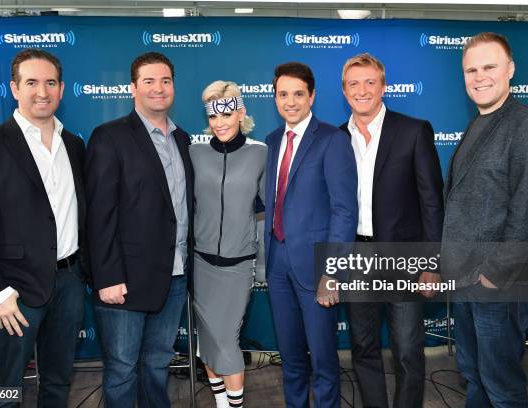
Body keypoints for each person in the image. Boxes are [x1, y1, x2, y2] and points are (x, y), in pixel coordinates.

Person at [0, 48, 86, 407]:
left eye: (49, 83)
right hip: (11, 292)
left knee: (58, 383)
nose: (41, 92)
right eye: (31, 82)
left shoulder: (74, 145)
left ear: (61, 89)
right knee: (5, 390)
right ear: (14, 88)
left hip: (68, 283)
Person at [442, 32, 528, 407]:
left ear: (510, 69)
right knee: (474, 374)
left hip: (497, 284)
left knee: (502, 385)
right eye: (470, 70)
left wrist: (492, 275)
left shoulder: (527, 126)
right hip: (465, 279)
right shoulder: (478, 123)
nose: (479, 77)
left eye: (489, 66)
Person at [85, 52, 194, 407]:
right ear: (133, 88)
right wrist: (107, 277)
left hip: (174, 276)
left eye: (165, 81)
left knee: (157, 365)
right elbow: (100, 213)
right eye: (148, 81)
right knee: (121, 370)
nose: (158, 89)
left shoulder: (184, 140)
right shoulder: (109, 137)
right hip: (125, 280)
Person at [339, 53, 444, 408]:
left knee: (407, 351)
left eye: (370, 82)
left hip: (405, 260)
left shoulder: (413, 131)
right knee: (363, 348)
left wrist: (431, 263)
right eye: (354, 83)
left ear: (384, 87)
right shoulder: (336, 138)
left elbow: (432, 201)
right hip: (356, 259)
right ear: (344, 90)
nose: (362, 90)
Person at [264, 62, 358, 408]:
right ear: (275, 97)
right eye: (283, 94)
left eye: (298, 94)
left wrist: (332, 273)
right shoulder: (273, 141)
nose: (290, 102)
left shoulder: (333, 139)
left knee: (323, 361)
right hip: (277, 263)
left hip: (317, 267)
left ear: (312, 96)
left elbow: (344, 211)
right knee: (290, 359)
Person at [190, 80, 266, 408]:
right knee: (207, 341)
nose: (220, 122)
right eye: (213, 116)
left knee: (226, 341)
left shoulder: (260, 153)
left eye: (227, 113)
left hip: (237, 265)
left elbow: (268, 210)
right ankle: (223, 403)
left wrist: (262, 262)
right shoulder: (194, 153)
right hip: (201, 263)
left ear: (240, 113)